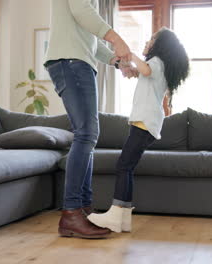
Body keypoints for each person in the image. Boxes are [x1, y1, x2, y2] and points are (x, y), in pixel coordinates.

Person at [44, 0, 136, 239]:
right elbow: (82, 11)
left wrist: (115, 61)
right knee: (86, 135)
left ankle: (83, 209)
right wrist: (116, 39)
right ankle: (72, 213)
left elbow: (88, 39)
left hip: (76, 62)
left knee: (87, 136)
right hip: (72, 63)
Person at [87, 28, 190, 233]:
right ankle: (123, 218)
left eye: (152, 39)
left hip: (144, 122)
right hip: (148, 122)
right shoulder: (160, 65)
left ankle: (116, 214)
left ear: (160, 46)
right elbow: (145, 74)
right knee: (127, 166)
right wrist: (134, 69)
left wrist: (129, 53)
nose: (147, 41)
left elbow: (146, 70)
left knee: (123, 165)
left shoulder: (157, 62)